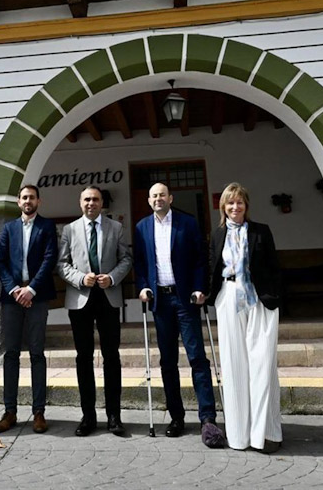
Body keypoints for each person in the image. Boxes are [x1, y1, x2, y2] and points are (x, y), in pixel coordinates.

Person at [134, 182, 224, 449]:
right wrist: (142, 287)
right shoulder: (141, 228)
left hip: (186, 299)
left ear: (170, 198)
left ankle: (208, 418)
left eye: (162, 194)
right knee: (168, 362)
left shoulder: (188, 223)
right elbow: (140, 263)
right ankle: (176, 417)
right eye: (153, 195)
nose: (158, 198)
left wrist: (200, 288)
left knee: (197, 357)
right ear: (148, 200)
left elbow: (200, 259)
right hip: (160, 300)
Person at [207, 182, 283, 453]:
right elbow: (212, 267)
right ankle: (239, 436)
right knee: (234, 365)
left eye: (239, 202)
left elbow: (275, 267)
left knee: (263, 363)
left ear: (246, 206)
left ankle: (266, 434)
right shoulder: (217, 235)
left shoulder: (261, 231)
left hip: (259, 299)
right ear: (223, 206)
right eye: (230, 203)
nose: (235, 207)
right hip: (229, 297)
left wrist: (275, 297)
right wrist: (204, 294)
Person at [57, 185, 132, 436]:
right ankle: (88, 415)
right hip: (81, 299)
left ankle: (114, 416)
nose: (91, 203)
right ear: (80, 203)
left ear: (102, 203)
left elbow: (126, 259)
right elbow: (62, 263)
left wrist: (112, 278)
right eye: (87, 199)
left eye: (96, 199)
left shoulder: (116, 228)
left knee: (112, 357)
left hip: (108, 298)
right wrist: (79, 278)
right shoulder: (69, 230)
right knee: (83, 358)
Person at [0, 184, 58, 434]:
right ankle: (10, 411)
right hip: (11, 299)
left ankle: (38, 411)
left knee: (37, 353)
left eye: (32, 197)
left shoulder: (47, 226)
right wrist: (14, 290)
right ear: (18, 202)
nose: (28, 201)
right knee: (11, 354)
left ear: (38, 201)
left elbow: (49, 259)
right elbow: (1, 262)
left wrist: (30, 290)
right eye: (24, 198)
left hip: (37, 297)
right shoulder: (9, 228)